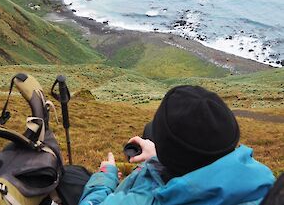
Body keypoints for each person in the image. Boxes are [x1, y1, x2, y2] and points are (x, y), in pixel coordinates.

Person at [78, 85, 275, 205]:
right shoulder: (268, 186)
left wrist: (105, 176)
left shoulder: (145, 199)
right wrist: (158, 157)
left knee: (74, 175)